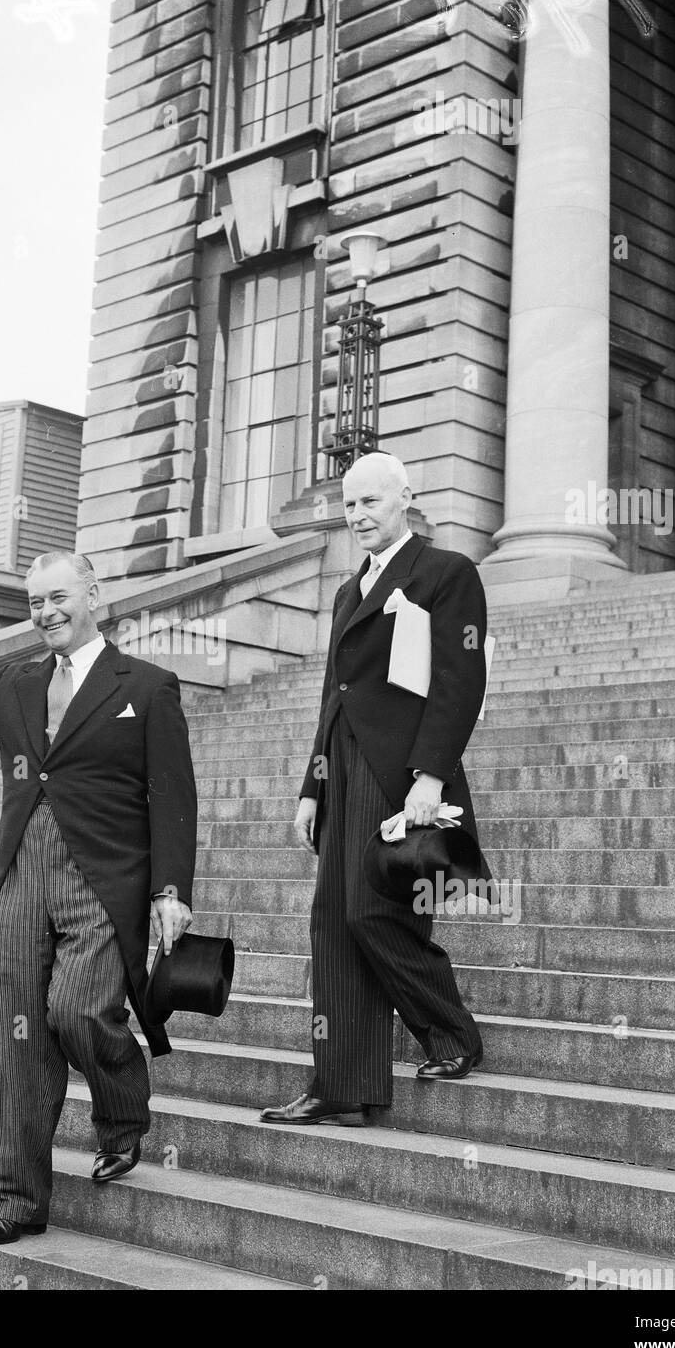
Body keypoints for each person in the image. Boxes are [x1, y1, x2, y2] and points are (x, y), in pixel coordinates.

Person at [0, 548, 196, 1243]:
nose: (47, 612)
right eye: (35, 602)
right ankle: (15, 1202)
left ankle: (122, 1110)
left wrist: (171, 890)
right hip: (20, 879)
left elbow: (172, 795)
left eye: (59, 597)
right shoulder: (14, 683)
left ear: (93, 593)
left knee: (77, 1012)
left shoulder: (147, 687)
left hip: (103, 880)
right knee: (14, 1040)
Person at [261, 452, 488, 1126]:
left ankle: (451, 1033)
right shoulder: (347, 590)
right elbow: (334, 693)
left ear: (404, 499)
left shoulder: (446, 573)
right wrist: (311, 786)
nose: (357, 515)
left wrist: (429, 776)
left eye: (370, 502)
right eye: (348, 504)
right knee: (332, 925)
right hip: (342, 765)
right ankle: (341, 1083)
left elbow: (458, 681)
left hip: (400, 775)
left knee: (373, 913)